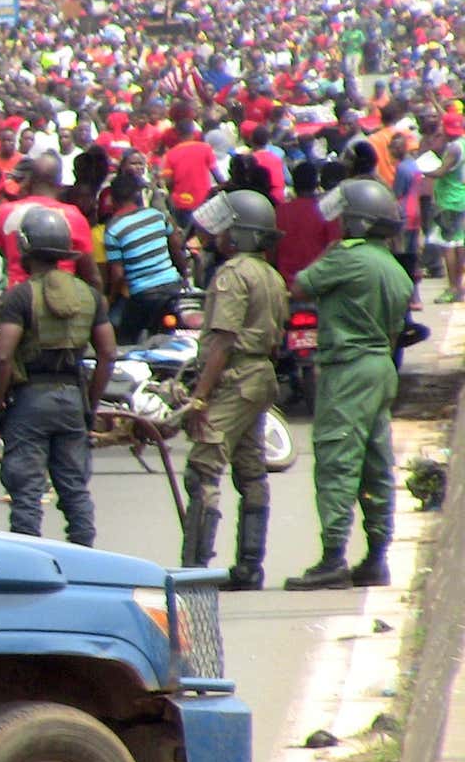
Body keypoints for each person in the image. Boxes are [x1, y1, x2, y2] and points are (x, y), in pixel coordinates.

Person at [285, 180, 412, 591]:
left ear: (358, 221)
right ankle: (377, 556)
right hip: (380, 367)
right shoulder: (395, 269)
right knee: (376, 463)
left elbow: (301, 284)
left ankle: (333, 557)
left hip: (349, 367)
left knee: (338, 459)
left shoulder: (347, 258)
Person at [0, 207, 117, 546]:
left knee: (27, 492)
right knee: (75, 489)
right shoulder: (89, 295)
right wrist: (90, 403)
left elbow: (2, 358)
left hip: (30, 400)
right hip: (72, 397)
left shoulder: (21, 296)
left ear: (25, 248)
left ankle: (28, 568)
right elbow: (107, 353)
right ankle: (86, 563)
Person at [181, 189, 288, 590]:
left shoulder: (232, 275)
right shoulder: (271, 276)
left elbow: (223, 341)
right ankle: (249, 567)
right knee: (251, 472)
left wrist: (200, 396)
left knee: (203, 469)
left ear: (241, 234)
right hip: (259, 378)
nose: (218, 236)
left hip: (234, 379)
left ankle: (195, 569)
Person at [103, 171, 188, 344]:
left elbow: (118, 275)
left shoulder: (112, 229)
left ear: (113, 199)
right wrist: (184, 275)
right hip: (172, 287)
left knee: (125, 340)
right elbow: (176, 249)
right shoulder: (157, 215)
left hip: (142, 295)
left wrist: (110, 299)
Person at [0, 154, 101, 290]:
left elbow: (4, 252)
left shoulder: (5, 212)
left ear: (31, 179)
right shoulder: (73, 216)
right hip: (60, 297)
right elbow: (91, 276)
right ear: (59, 182)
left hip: (17, 296)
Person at [275, 163, 342, 288]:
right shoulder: (327, 212)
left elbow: (271, 252)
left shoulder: (279, 212)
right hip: (317, 286)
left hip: (283, 285)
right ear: (317, 184)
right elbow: (334, 250)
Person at [425, 110, 465, 304]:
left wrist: (422, 171)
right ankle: (459, 286)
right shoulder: (462, 143)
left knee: (448, 246)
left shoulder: (453, 149)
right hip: (460, 197)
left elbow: (441, 172)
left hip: (449, 200)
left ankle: (453, 288)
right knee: (459, 243)